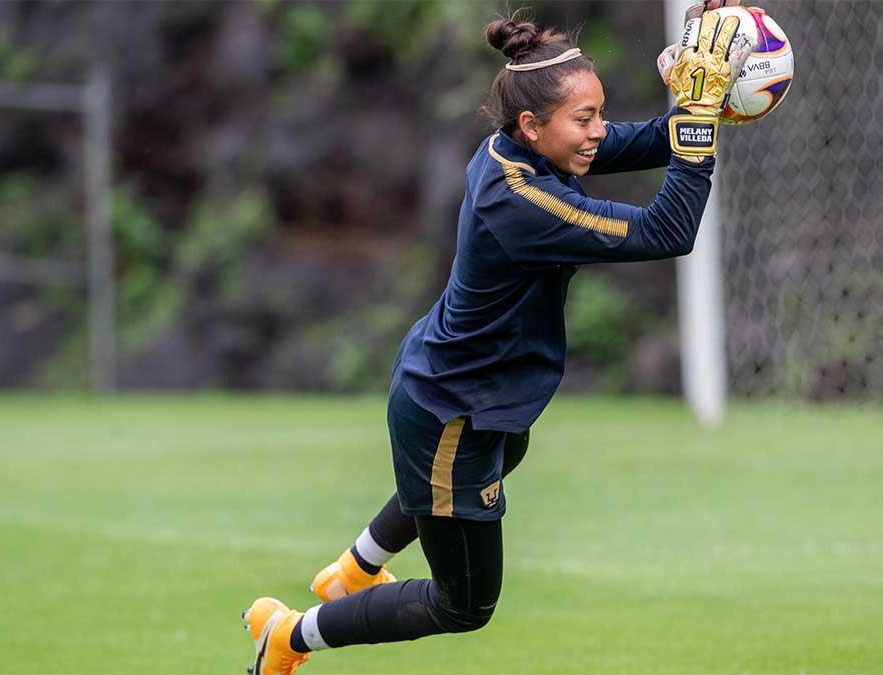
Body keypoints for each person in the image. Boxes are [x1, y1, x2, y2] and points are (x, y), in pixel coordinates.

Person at [243, 4, 753, 673]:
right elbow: (669, 231)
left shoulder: (520, 148)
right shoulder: (521, 203)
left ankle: (356, 566)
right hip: (451, 412)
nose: (600, 132)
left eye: (599, 113)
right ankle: (290, 635)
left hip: (470, 394)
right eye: (586, 119)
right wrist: (699, 116)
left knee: (502, 456)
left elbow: (651, 141)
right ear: (534, 125)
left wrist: (702, 106)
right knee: (465, 605)